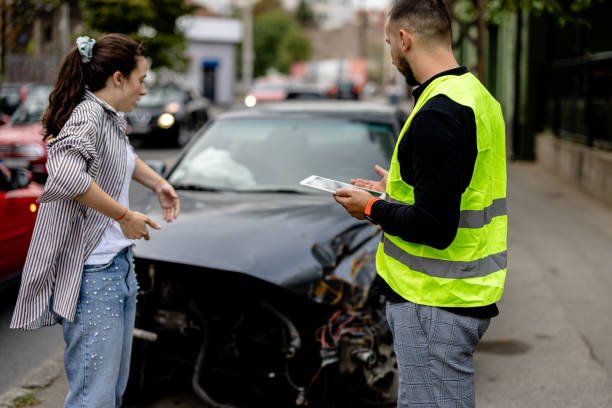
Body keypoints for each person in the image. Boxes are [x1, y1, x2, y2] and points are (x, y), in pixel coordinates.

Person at [334, 0, 507, 407]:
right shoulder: (475, 96)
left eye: (389, 43)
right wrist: (394, 193)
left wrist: (371, 208)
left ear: (405, 40)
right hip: (458, 295)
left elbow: (435, 225)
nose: (391, 54)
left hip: (434, 302)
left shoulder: (438, 113)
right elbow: (457, 188)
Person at [10, 34, 180, 408]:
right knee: (94, 397)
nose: (145, 89)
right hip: (93, 275)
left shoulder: (108, 116)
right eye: (142, 80)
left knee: (112, 392)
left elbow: (123, 155)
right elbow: (66, 176)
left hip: (117, 266)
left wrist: (159, 183)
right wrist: (124, 215)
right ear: (118, 78)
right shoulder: (86, 116)